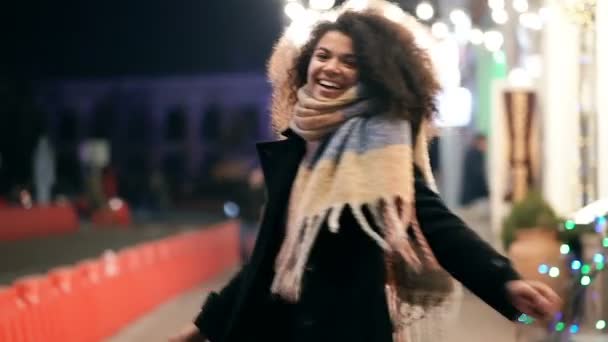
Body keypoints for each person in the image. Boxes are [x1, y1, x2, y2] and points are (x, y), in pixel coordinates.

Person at [170, 10, 560, 342]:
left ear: (372, 74)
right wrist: (206, 327)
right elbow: (269, 258)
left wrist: (504, 281)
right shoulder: (296, 145)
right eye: (322, 55)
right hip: (279, 328)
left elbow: (434, 224)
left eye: (350, 61)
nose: (331, 67)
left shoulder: (379, 142)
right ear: (306, 63)